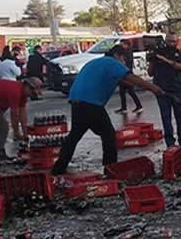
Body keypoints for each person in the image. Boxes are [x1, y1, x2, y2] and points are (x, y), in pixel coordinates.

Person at [51, 46, 163, 175]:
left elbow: (126, 81)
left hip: (77, 100)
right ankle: (110, 168)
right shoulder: (112, 62)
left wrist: (141, 86)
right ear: (116, 55)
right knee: (109, 135)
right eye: (123, 59)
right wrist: (154, 88)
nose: (124, 63)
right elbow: (132, 78)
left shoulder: (97, 62)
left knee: (74, 136)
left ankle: (58, 168)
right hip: (91, 102)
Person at [149, 34, 181, 152]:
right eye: (169, 41)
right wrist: (153, 60)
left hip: (177, 90)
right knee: (166, 118)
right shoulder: (158, 54)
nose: (171, 44)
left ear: (177, 42)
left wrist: (165, 59)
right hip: (161, 91)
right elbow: (150, 73)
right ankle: (170, 144)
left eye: (173, 41)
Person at [115, 39, 143, 114]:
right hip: (123, 74)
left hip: (127, 74)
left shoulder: (128, 53)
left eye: (122, 45)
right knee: (122, 92)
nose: (121, 46)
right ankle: (124, 108)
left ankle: (139, 106)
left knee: (131, 91)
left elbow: (126, 62)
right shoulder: (124, 52)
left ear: (126, 44)